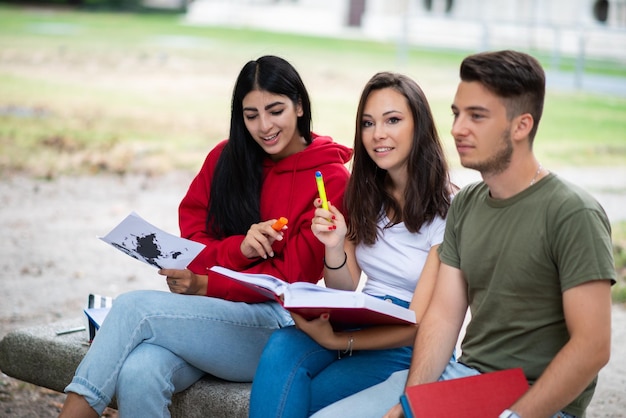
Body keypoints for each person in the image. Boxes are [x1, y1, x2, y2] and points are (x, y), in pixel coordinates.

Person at [310, 50, 616, 418]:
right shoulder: (468, 204)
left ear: (521, 126)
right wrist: (411, 405)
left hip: (537, 398)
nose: (457, 128)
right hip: (467, 381)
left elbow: (593, 347)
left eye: (476, 116)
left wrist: (514, 416)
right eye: (457, 114)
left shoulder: (572, 212)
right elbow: (441, 319)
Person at [58, 55, 352, 418]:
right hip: (209, 320)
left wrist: (206, 285)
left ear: (300, 106)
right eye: (251, 115)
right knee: (139, 372)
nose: (264, 126)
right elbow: (193, 246)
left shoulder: (331, 178)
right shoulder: (227, 158)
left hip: (275, 325)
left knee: (132, 308)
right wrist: (240, 250)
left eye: (275, 110)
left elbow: (291, 280)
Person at [249, 71, 455, 418]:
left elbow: (416, 325)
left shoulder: (448, 209)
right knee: (282, 344)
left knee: (302, 397)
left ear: (419, 125)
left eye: (393, 120)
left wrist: (337, 342)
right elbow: (342, 285)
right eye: (368, 123)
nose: (378, 135)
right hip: (360, 317)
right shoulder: (366, 193)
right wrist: (333, 244)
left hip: (403, 343)